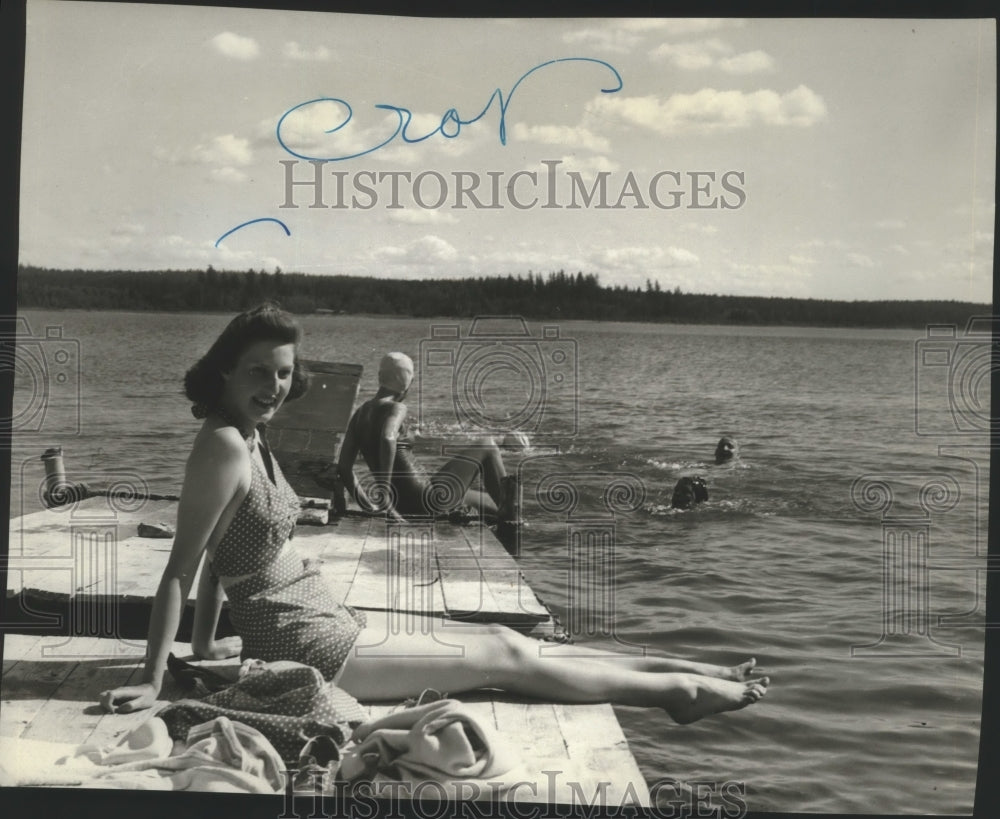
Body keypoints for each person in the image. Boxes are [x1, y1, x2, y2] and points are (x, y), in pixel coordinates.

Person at [100, 304, 769, 725]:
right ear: (223, 371)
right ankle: (674, 690)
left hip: (322, 619)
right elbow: (181, 570)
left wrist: (205, 644)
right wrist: (155, 676)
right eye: (257, 371)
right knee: (504, 652)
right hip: (312, 647)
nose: (273, 386)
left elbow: (226, 548)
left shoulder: (246, 434)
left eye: (281, 373)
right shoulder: (220, 443)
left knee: (524, 644)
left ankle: (686, 670)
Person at [335, 352, 524, 523]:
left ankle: (504, 516)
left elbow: (344, 467)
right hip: (427, 500)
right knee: (488, 444)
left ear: (379, 378)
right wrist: (385, 498)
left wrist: (369, 506)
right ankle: (511, 521)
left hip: (408, 503)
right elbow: (388, 437)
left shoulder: (359, 414)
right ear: (407, 386)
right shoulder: (396, 408)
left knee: (485, 502)